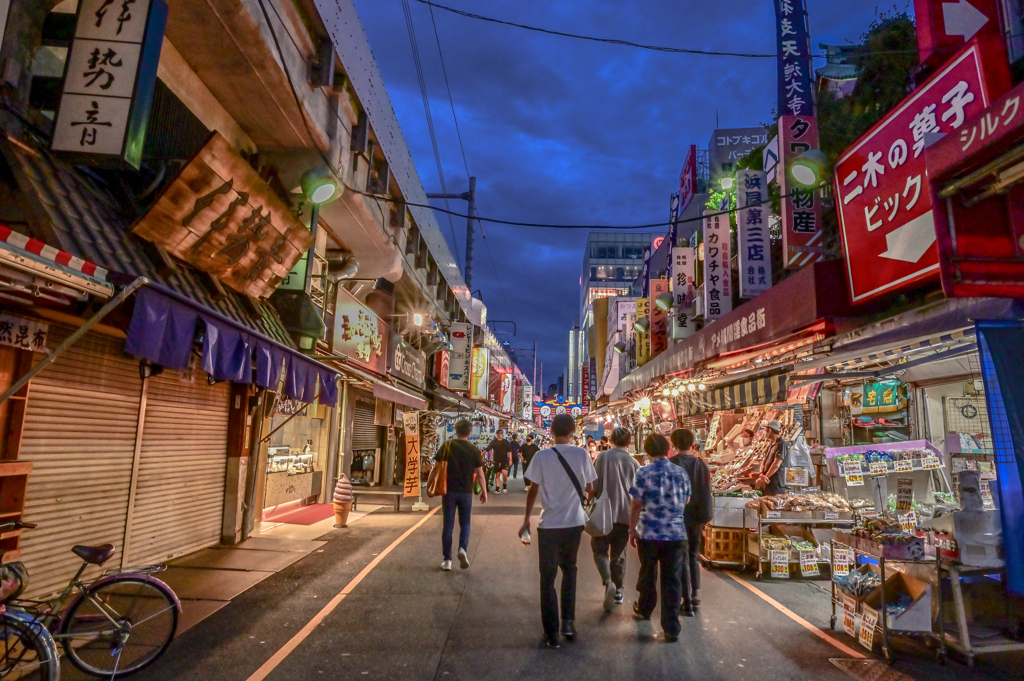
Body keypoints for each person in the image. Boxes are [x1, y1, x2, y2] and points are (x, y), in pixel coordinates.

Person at [520, 414, 597, 649]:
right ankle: (569, 623)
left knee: (548, 578)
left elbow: (533, 489)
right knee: (570, 571)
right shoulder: (582, 454)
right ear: (573, 431)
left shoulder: (542, 456)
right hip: (574, 523)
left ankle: (551, 634)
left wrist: (526, 520)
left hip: (549, 525)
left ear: (551, 431)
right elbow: (591, 488)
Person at [629, 433, 692, 642]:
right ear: (668, 449)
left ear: (647, 451)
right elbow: (687, 499)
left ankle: (645, 609)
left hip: (649, 532)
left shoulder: (643, 472)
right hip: (675, 534)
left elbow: (636, 503)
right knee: (672, 580)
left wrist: (632, 528)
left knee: (648, 572)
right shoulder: (681, 473)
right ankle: (671, 627)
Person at [590, 427, 639, 611]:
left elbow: (594, 486)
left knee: (599, 549)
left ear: (610, 440)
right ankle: (618, 590)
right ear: (629, 442)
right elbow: (637, 493)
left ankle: (608, 581)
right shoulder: (634, 463)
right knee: (619, 554)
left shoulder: (603, 457)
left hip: (604, 513)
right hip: (625, 514)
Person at [670, 429, 713, 611]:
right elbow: (706, 491)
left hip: (679, 515)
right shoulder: (701, 465)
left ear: (674, 444)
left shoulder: (672, 464)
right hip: (697, 516)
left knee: (681, 557)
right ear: (692, 443)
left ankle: (685, 598)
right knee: (693, 555)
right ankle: (695, 594)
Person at [436, 420, 487, 571]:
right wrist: (484, 491)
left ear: (455, 430)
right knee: (465, 524)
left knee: (448, 525)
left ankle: (447, 560)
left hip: (449, 491)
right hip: (466, 492)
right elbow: (480, 473)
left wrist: (432, 483)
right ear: (470, 432)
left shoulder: (447, 446)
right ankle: (462, 549)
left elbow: (437, 467)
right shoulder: (473, 450)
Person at [756, 420, 788, 496]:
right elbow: (764, 460)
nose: (764, 432)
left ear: (769, 430)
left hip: (776, 484)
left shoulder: (781, 445)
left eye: (765, 429)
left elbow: (776, 464)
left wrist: (765, 477)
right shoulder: (771, 444)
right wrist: (761, 475)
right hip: (766, 483)